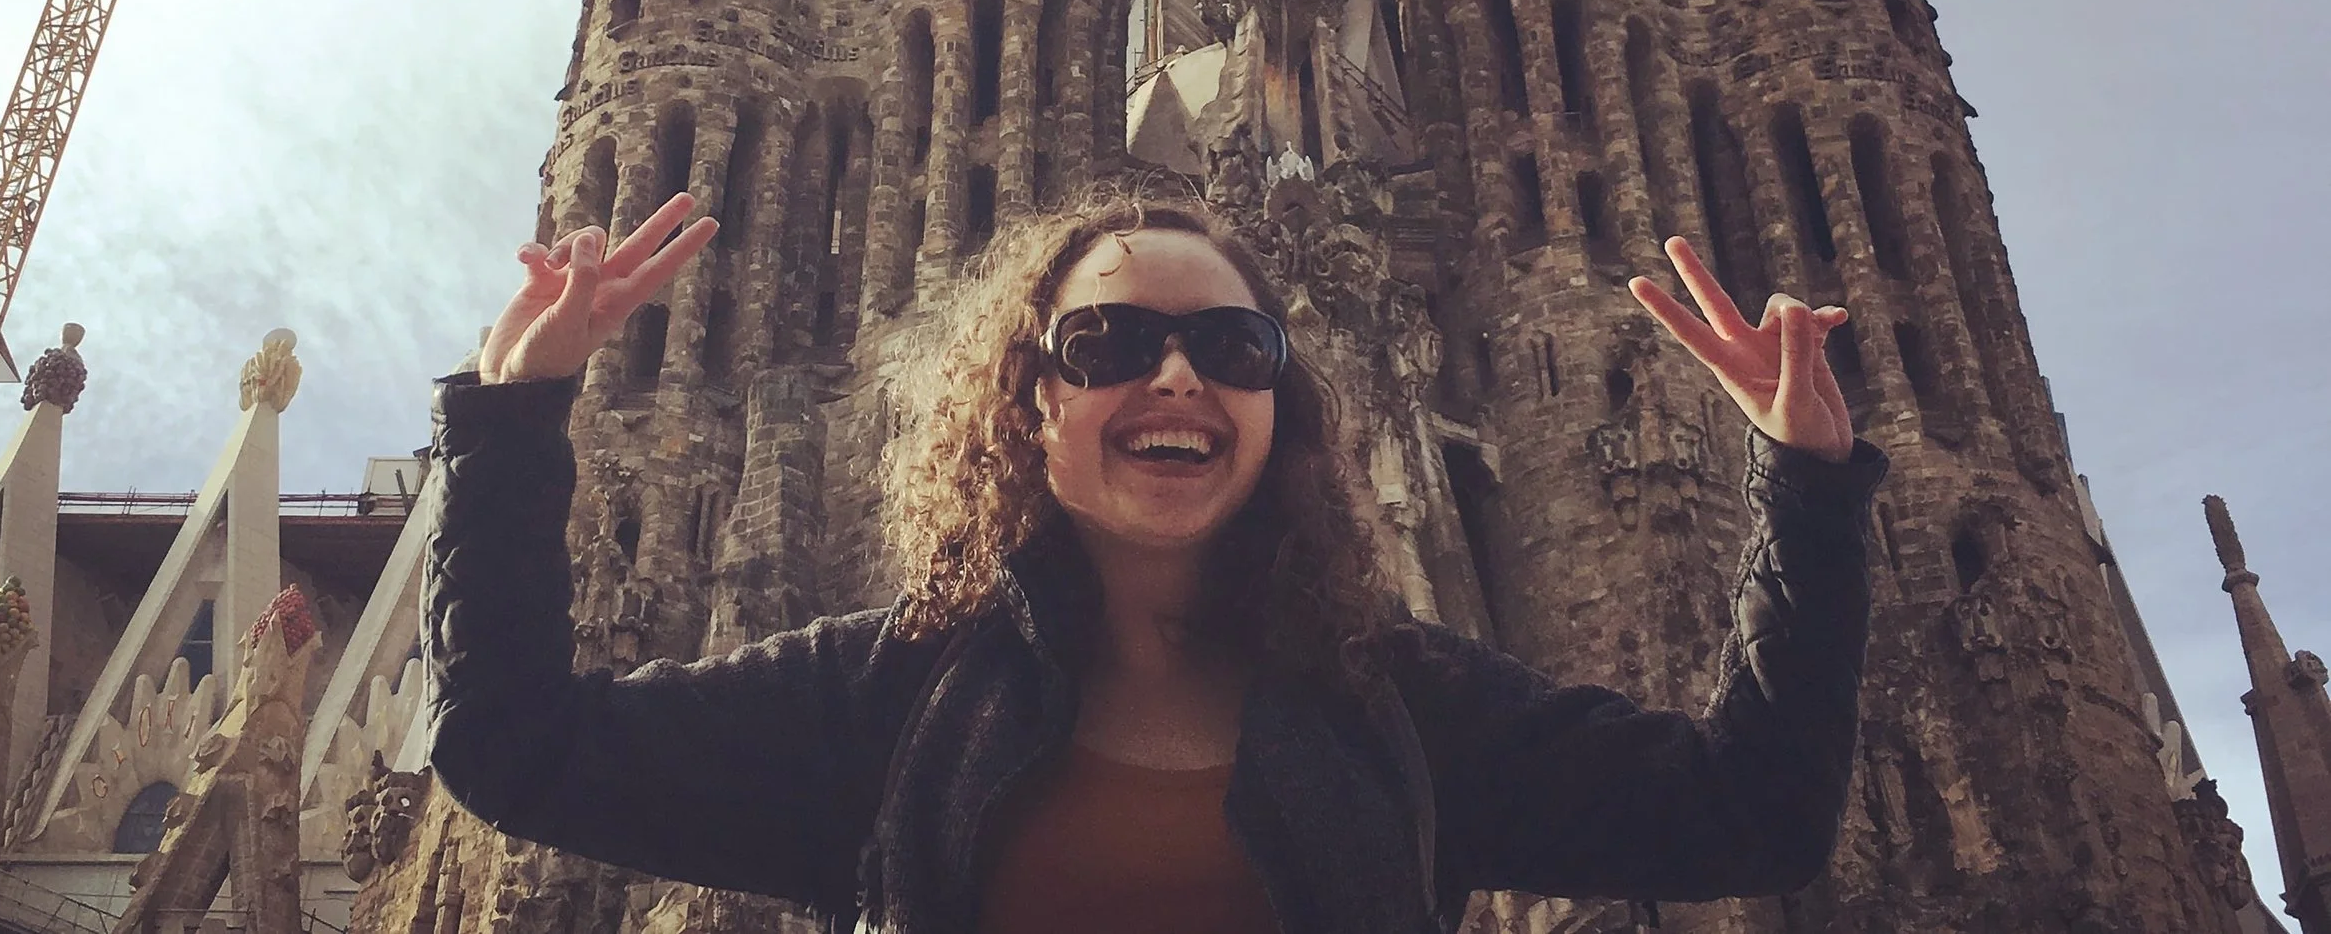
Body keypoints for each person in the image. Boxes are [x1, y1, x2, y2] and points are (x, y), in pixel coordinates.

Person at [425, 189, 1885, 934]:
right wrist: (511, 417)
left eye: (1231, 345)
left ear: (1279, 406)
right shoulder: (893, 692)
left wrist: (1808, 484)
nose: (1176, 377)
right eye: (1113, 342)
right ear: (1030, 399)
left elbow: (1753, 814)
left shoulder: (1396, 702)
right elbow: (514, 746)